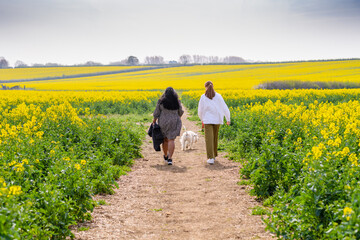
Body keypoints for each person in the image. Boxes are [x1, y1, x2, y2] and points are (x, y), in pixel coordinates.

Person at [198, 81, 230, 165]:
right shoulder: (219, 96)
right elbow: (224, 107)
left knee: (209, 139)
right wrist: (228, 118)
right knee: (215, 138)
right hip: (217, 120)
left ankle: (211, 157)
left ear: (205, 87)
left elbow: (200, 110)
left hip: (208, 120)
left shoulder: (203, 97)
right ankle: (214, 155)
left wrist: (202, 119)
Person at [153, 87, 184, 165]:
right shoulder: (177, 101)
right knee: (171, 140)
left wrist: (154, 121)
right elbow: (180, 112)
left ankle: (166, 156)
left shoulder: (161, 101)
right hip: (174, 121)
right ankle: (170, 158)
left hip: (163, 122)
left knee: (165, 140)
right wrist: (177, 117)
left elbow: (157, 112)